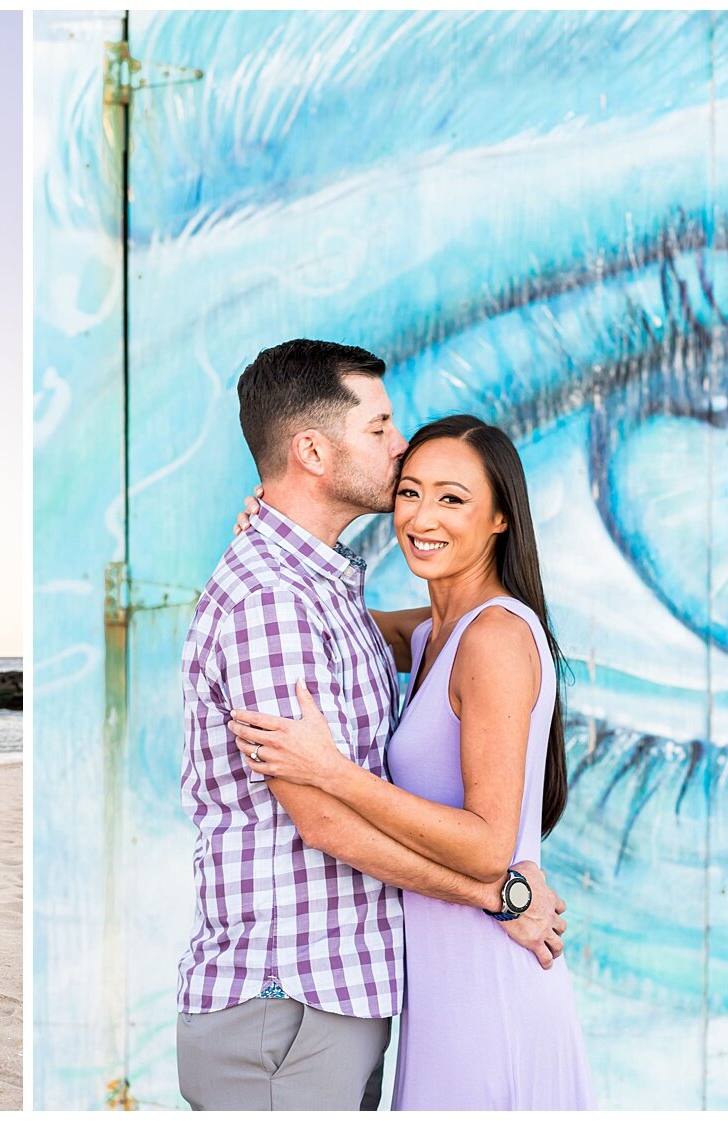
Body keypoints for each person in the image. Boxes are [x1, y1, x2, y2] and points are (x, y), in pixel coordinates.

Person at [176, 340, 569, 1111]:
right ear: (314, 451)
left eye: (451, 496)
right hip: (287, 993)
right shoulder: (277, 601)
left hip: (347, 994)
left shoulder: (339, 597)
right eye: (383, 429)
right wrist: (504, 897)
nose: (400, 450)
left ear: (499, 517)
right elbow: (323, 822)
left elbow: (475, 634)